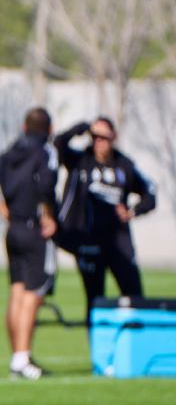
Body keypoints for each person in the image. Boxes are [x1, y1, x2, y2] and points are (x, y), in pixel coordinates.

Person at [0, 107, 59, 380]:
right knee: (33, 295)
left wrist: (1, 208)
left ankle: (18, 357)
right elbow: (47, 185)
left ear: (24, 127)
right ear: (50, 130)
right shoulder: (46, 152)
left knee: (18, 292)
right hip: (35, 230)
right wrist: (49, 215)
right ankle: (22, 358)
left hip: (14, 230)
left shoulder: (11, 152)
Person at [54, 117, 157, 325]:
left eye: (104, 137)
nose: (99, 142)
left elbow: (150, 193)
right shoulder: (80, 161)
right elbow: (58, 143)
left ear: (113, 137)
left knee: (134, 294)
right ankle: (99, 343)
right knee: (95, 299)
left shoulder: (124, 165)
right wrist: (83, 127)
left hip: (119, 242)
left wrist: (133, 211)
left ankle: (134, 339)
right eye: (95, 137)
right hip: (89, 240)